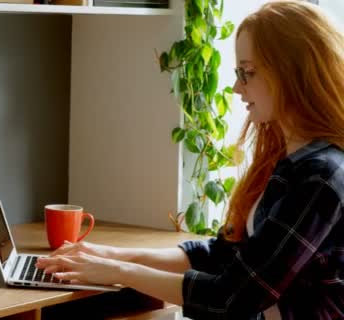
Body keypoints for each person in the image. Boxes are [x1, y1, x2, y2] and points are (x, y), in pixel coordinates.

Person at [36, 1, 344, 319]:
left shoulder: (321, 177)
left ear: (294, 73)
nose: (238, 87)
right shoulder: (288, 161)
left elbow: (233, 297)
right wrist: (108, 255)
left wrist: (118, 271)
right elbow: (222, 255)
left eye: (248, 72)